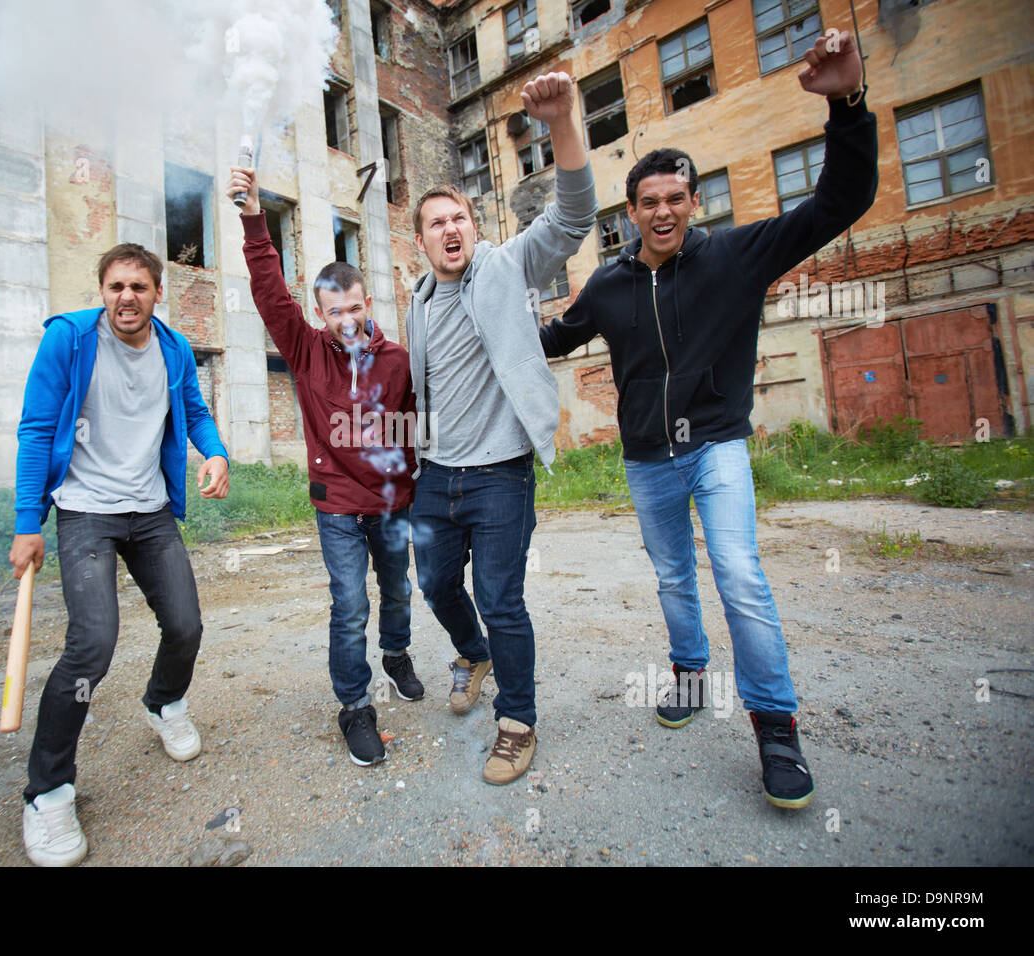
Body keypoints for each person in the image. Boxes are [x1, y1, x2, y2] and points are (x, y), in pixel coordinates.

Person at [539, 32, 876, 809]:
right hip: (648, 459)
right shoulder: (607, 287)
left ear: (694, 201)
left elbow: (840, 201)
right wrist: (483, 315)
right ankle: (690, 677)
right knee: (670, 575)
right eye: (648, 202)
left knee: (740, 576)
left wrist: (846, 106)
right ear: (629, 213)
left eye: (675, 199)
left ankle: (775, 728)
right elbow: (550, 339)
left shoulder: (737, 257)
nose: (662, 211)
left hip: (717, 445)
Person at [8, 242, 230, 865]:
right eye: (115, 287)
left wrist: (214, 452)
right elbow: (35, 425)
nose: (126, 297)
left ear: (157, 294)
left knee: (186, 625)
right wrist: (30, 522)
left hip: (151, 510)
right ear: (102, 291)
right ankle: (47, 793)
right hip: (86, 513)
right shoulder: (70, 341)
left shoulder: (175, 349)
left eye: (138, 287)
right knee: (92, 643)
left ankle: (164, 702)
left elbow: (193, 411)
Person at [407, 71, 599, 785]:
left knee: (502, 598)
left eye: (458, 218)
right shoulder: (420, 304)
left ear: (473, 228)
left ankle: (517, 721)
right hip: (437, 476)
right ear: (421, 243)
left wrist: (562, 124)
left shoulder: (507, 266)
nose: (449, 230)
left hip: (499, 476)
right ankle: (472, 651)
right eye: (435, 223)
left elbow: (575, 216)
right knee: (434, 585)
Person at [226, 166, 420, 767]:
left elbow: (413, 430)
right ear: (320, 311)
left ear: (368, 302)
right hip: (336, 503)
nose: (347, 321)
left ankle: (396, 654)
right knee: (348, 603)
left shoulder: (397, 360)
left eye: (355, 308)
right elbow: (267, 291)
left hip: (391, 503)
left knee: (397, 589)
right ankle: (355, 706)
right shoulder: (305, 347)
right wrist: (254, 216)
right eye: (334, 312)